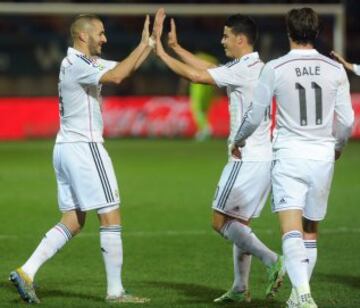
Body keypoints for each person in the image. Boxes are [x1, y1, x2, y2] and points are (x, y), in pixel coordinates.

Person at [9, 9, 165, 304]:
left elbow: (124, 68)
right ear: (83, 35)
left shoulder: (79, 61)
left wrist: (148, 44)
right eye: (101, 33)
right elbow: (119, 76)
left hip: (65, 148)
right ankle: (116, 291)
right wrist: (145, 45)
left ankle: (26, 272)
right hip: (85, 147)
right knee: (110, 213)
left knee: (73, 219)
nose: (105, 38)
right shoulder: (80, 64)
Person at [154, 13, 285, 303]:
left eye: (226, 36)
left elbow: (197, 76)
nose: (222, 40)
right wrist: (177, 48)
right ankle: (240, 288)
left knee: (220, 221)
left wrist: (161, 52)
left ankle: (273, 259)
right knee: (241, 223)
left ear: (240, 39)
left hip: (244, 157)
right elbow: (213, 69)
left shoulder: (241, 70)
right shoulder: (258, 67)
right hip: (264, 157)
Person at [232, 7, 354, 308]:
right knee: (310, 230)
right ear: (317, 32)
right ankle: (299, 295)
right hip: (322, 155)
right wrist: (337, 147)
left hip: (290, 155)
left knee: (291, 228)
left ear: (289, 32)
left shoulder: (275, 68)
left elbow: (256, 113)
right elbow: (348, 121)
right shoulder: (335, 69)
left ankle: (303, 294)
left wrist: (239, 138)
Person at [189, 52, 218, 140]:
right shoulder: (213, 60)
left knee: (197, 109)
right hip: (210, 87)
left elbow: (188, 72)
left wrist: (181, 89)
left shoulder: (194, 58)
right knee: (204, 110)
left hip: (198, 86)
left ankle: (206, 128)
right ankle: (202, 130)